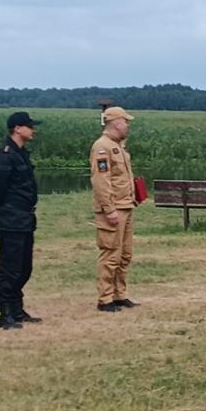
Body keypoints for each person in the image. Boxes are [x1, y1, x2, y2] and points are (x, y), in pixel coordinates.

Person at [0, 111, 41, 330]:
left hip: (25, 218)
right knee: (9, 268)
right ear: (17, 128)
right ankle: (2, 313)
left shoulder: (21, 153)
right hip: (11, 218)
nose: (33, 130)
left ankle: (17, 309)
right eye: (29, 126)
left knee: (24, 267)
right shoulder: (5, 155)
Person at [92, 106, 141, 311]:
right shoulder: (102, 147)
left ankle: (120, 294)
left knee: (125, 254)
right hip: (113, 209)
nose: (128, 125)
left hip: (126, 205)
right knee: (111, 254)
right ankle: (105, 298)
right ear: (116, 123)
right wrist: (109, 208)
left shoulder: (118, 146)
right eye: (125, 121)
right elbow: (101, 181)